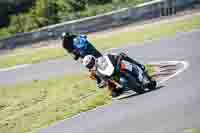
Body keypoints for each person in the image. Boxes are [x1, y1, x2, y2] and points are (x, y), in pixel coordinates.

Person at [82, 53, 146, 97]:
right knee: (113, 94)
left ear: (94, 59)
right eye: (89, 65)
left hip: (116, 68)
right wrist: (102, 83)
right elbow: (100, 81)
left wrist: (116, 58)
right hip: (112, 77)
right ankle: (124, 88)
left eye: (91, 63)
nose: (91, 65)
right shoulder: (94, 72)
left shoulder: (102, 58)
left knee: (122, 55)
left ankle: (138, 65)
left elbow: (111, 56)